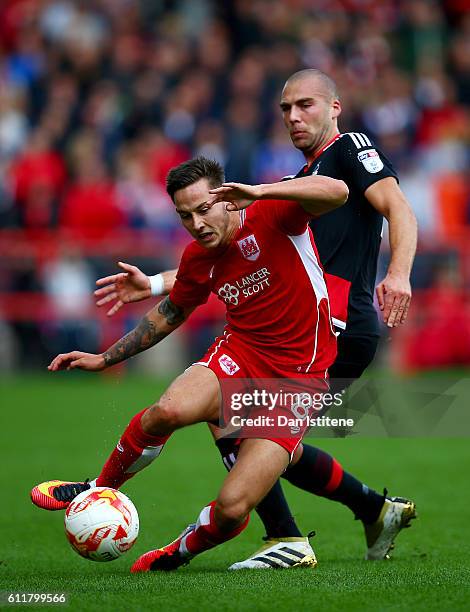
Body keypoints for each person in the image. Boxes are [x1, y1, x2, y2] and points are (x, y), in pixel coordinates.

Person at [93, 69, 418, 567]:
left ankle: (287, 536)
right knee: (263, 437)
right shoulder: (297, 179)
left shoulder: (349, 148)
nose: (293, 116)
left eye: (305, 105)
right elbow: (240, 246)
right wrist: (158, 284)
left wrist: (398, 273)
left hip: (329, 327)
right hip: (311, 323)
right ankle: (373, 510)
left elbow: (398, 206)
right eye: (286, 108)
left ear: (336, 107)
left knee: (244, 425)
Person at [31, 156, 349, 572]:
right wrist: (105, 358)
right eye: (185, 215)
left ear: (226, 199)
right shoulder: (199, 258)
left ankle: (179, 552)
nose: (197, 224)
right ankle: (98, 488)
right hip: (240, 353)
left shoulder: (272, 213)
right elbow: (171, 313)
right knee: (168, 410)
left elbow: (338, 191)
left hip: (297, 379)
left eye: (203, 209)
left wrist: (259, 191)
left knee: (234, 508)